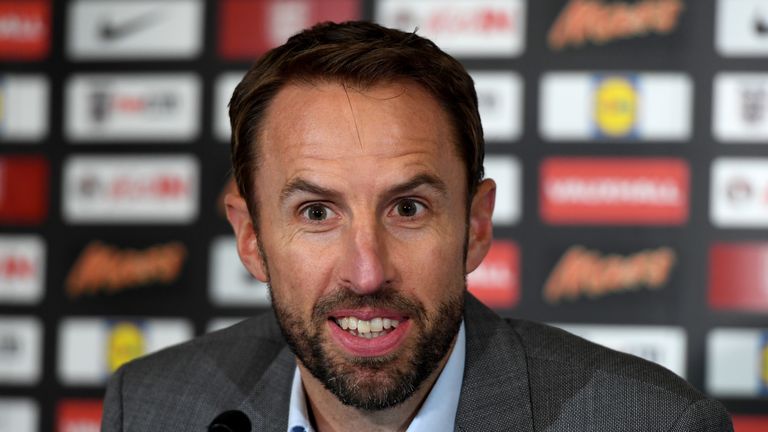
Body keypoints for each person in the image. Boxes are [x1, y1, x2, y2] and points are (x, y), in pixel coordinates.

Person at [102, 21, 733, 431]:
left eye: (408, 209)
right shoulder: (155, 407)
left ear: (476, 226)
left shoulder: (649, 421)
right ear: (252, 240)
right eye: (317, 213)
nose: (367, 271)